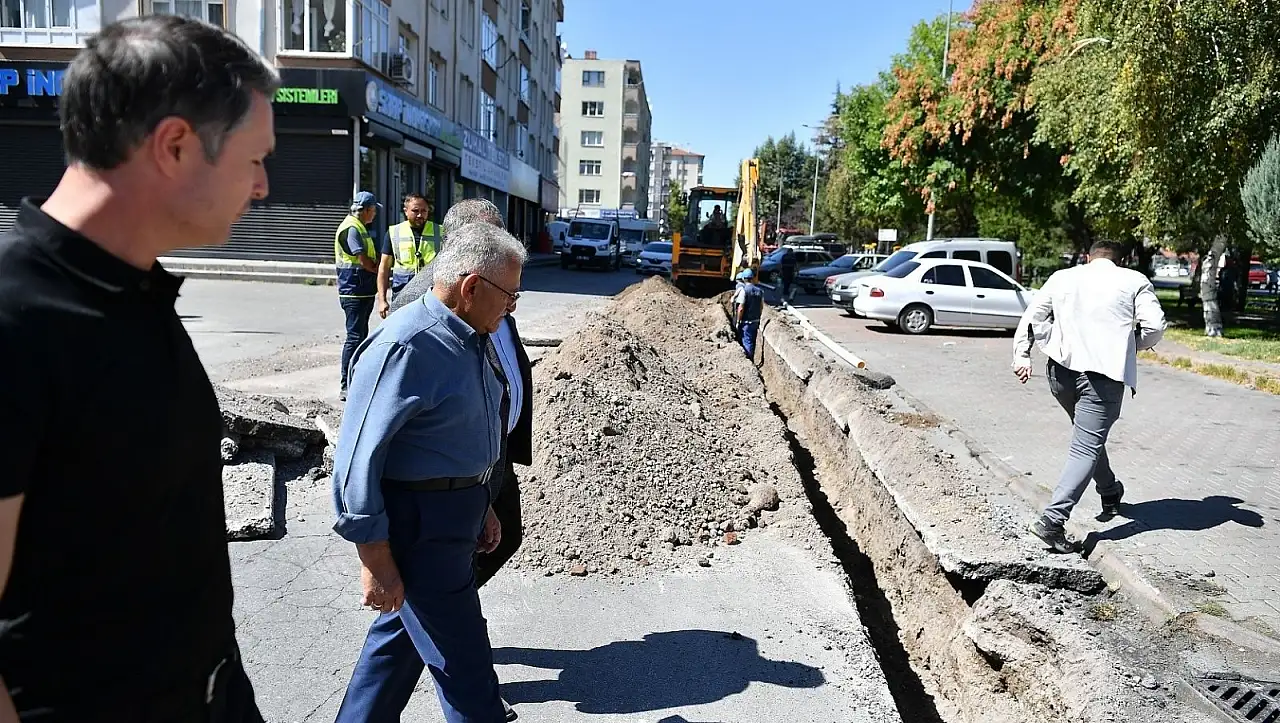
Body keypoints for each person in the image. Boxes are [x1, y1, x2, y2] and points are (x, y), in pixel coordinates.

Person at [0, 16, 277, 721]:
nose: (264, 187)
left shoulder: (135, 290)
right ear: (176, 146)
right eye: (254, 160)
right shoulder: (17, 321)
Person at [332, 222, 528, 723]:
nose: (512, 308)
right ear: (470, 287)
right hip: (420, 529)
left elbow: (467, 433)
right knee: (467, 673)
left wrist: (482, 504)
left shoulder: (472, 335)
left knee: (392, 656)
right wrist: (375, 559)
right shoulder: (406, 345)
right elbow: (356, 464)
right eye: (510, 295)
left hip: (452, 520)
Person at [1012, 239, 1166, 554]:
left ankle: (1109, 491)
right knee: (1086, 445)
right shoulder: (1134, 281)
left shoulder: (1062, 277)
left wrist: (1022, 356)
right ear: (1123, 260)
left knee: (1088, 439)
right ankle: (1052, 522)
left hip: (1060, 374)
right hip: (1103, 378)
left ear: (1087, 257)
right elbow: (1155, 326)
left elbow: (1032, 318)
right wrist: (1130, 346)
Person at [389, 198, 506, 314]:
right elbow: (384, 266)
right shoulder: (412, 302)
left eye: (424, 210)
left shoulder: (492, 285)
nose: (497, 254)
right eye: (489, 246)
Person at [336, 190, 382, 400]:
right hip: (353, 290)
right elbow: (363, 260)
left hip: (362, 290)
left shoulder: (360, 227)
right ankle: (346, 384)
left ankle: (356, 380)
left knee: (361, 336)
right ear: (364, 210)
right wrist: (378, 269)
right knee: (354, 337)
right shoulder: (351, 228)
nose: (374, 215)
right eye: (372, 211)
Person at [376, 193, 439, 319]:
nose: (420, 215)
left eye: (424, 211)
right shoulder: (394, 232)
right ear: (406, 211)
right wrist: (382, 300)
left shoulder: (441, 232)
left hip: (431, 295)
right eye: (415, 211)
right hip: (402, 294)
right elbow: (384, 269)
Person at [734, 269, 765, 358]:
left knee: (746, 341)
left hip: (746, 321)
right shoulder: (760, 291)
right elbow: (761, 307)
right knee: (752, 340)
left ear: (744, 279)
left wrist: (738, 321)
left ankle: (748, 360)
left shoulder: (744, 291)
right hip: (755, 320)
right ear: (752, 278)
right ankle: (750, 357)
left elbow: (741, 308)